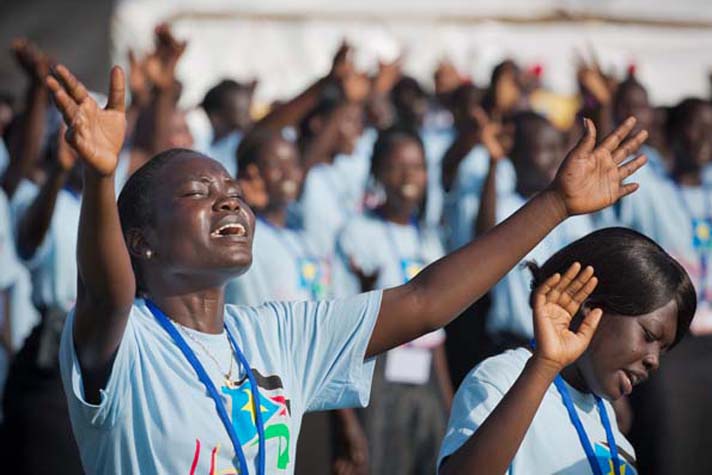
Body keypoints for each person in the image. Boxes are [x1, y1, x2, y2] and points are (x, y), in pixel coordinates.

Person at [46, 62, 645, 474]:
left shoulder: (275, 334)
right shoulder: (127, 342)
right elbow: (104, 291)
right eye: (198, 193)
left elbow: (424, 300)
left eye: (231, 188)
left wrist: (556, 203)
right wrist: (100, 177)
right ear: (142, 242)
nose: (229, 199)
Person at [438, 228, 696, 475]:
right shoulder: (502, 378)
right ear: (591, 307)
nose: (654, 360)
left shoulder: (615, 435)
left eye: (662, 351)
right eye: (648, 336)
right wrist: (546, 364)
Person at [334, 126, 453, 475]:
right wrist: (347, 419)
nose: (408, 176)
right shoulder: (358, 233)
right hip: (378, 375)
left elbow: (437, 334)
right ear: (377, 173)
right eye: (396, 166)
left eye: (416, 166)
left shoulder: (429, 238)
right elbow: (343, 325)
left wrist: (447, 401)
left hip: (426, 376)